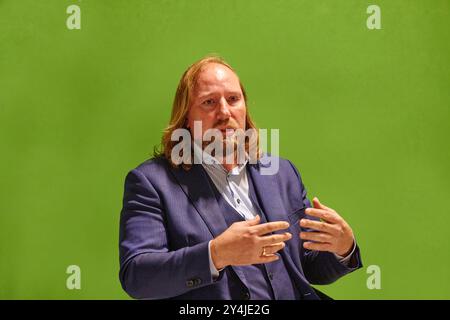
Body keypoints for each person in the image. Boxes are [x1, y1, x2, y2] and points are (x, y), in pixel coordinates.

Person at [119, 56, 362, 300]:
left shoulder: (282, 172)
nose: (224, 112)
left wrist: (343, 248)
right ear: (186, 119)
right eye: (209, 102)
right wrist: (216, 254)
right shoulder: (151, 182)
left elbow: (307, 267)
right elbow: (137, 277)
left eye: (233, 99)